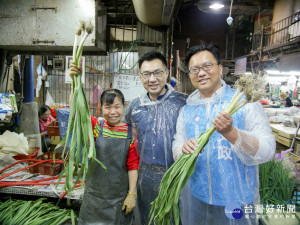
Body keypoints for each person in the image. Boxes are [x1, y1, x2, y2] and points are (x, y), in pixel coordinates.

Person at [172, 42, 276, 225]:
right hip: (198, 198)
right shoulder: (187, 109)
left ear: (220, 68)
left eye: (207, 66)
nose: (201, 73)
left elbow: (268, 150)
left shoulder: (245, 103)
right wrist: (182, 149)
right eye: (195, 69)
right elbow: (176, 145)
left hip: (237, 201)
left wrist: (232, 133)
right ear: (189, 75)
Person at [69, 65, 139, 225]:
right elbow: (75, 114)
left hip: (118, 200)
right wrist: (74, 82)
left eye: (117, 106)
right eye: (108, 107)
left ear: (123, 107)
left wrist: (132, 194)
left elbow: (133, 165)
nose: (113, 111)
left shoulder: (131, 133)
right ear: (100, 109)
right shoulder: (95, 126)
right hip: (94, 197)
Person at [124, 51, 187, 225]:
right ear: (140, 76)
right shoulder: (135, 107)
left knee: (175, 218)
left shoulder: (182, 103)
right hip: (145, 179)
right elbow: (122, 136)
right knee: (148, 218)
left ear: (166, 73)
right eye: (147, 74)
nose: (152, 79)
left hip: (176, 178)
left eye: (157, 73)